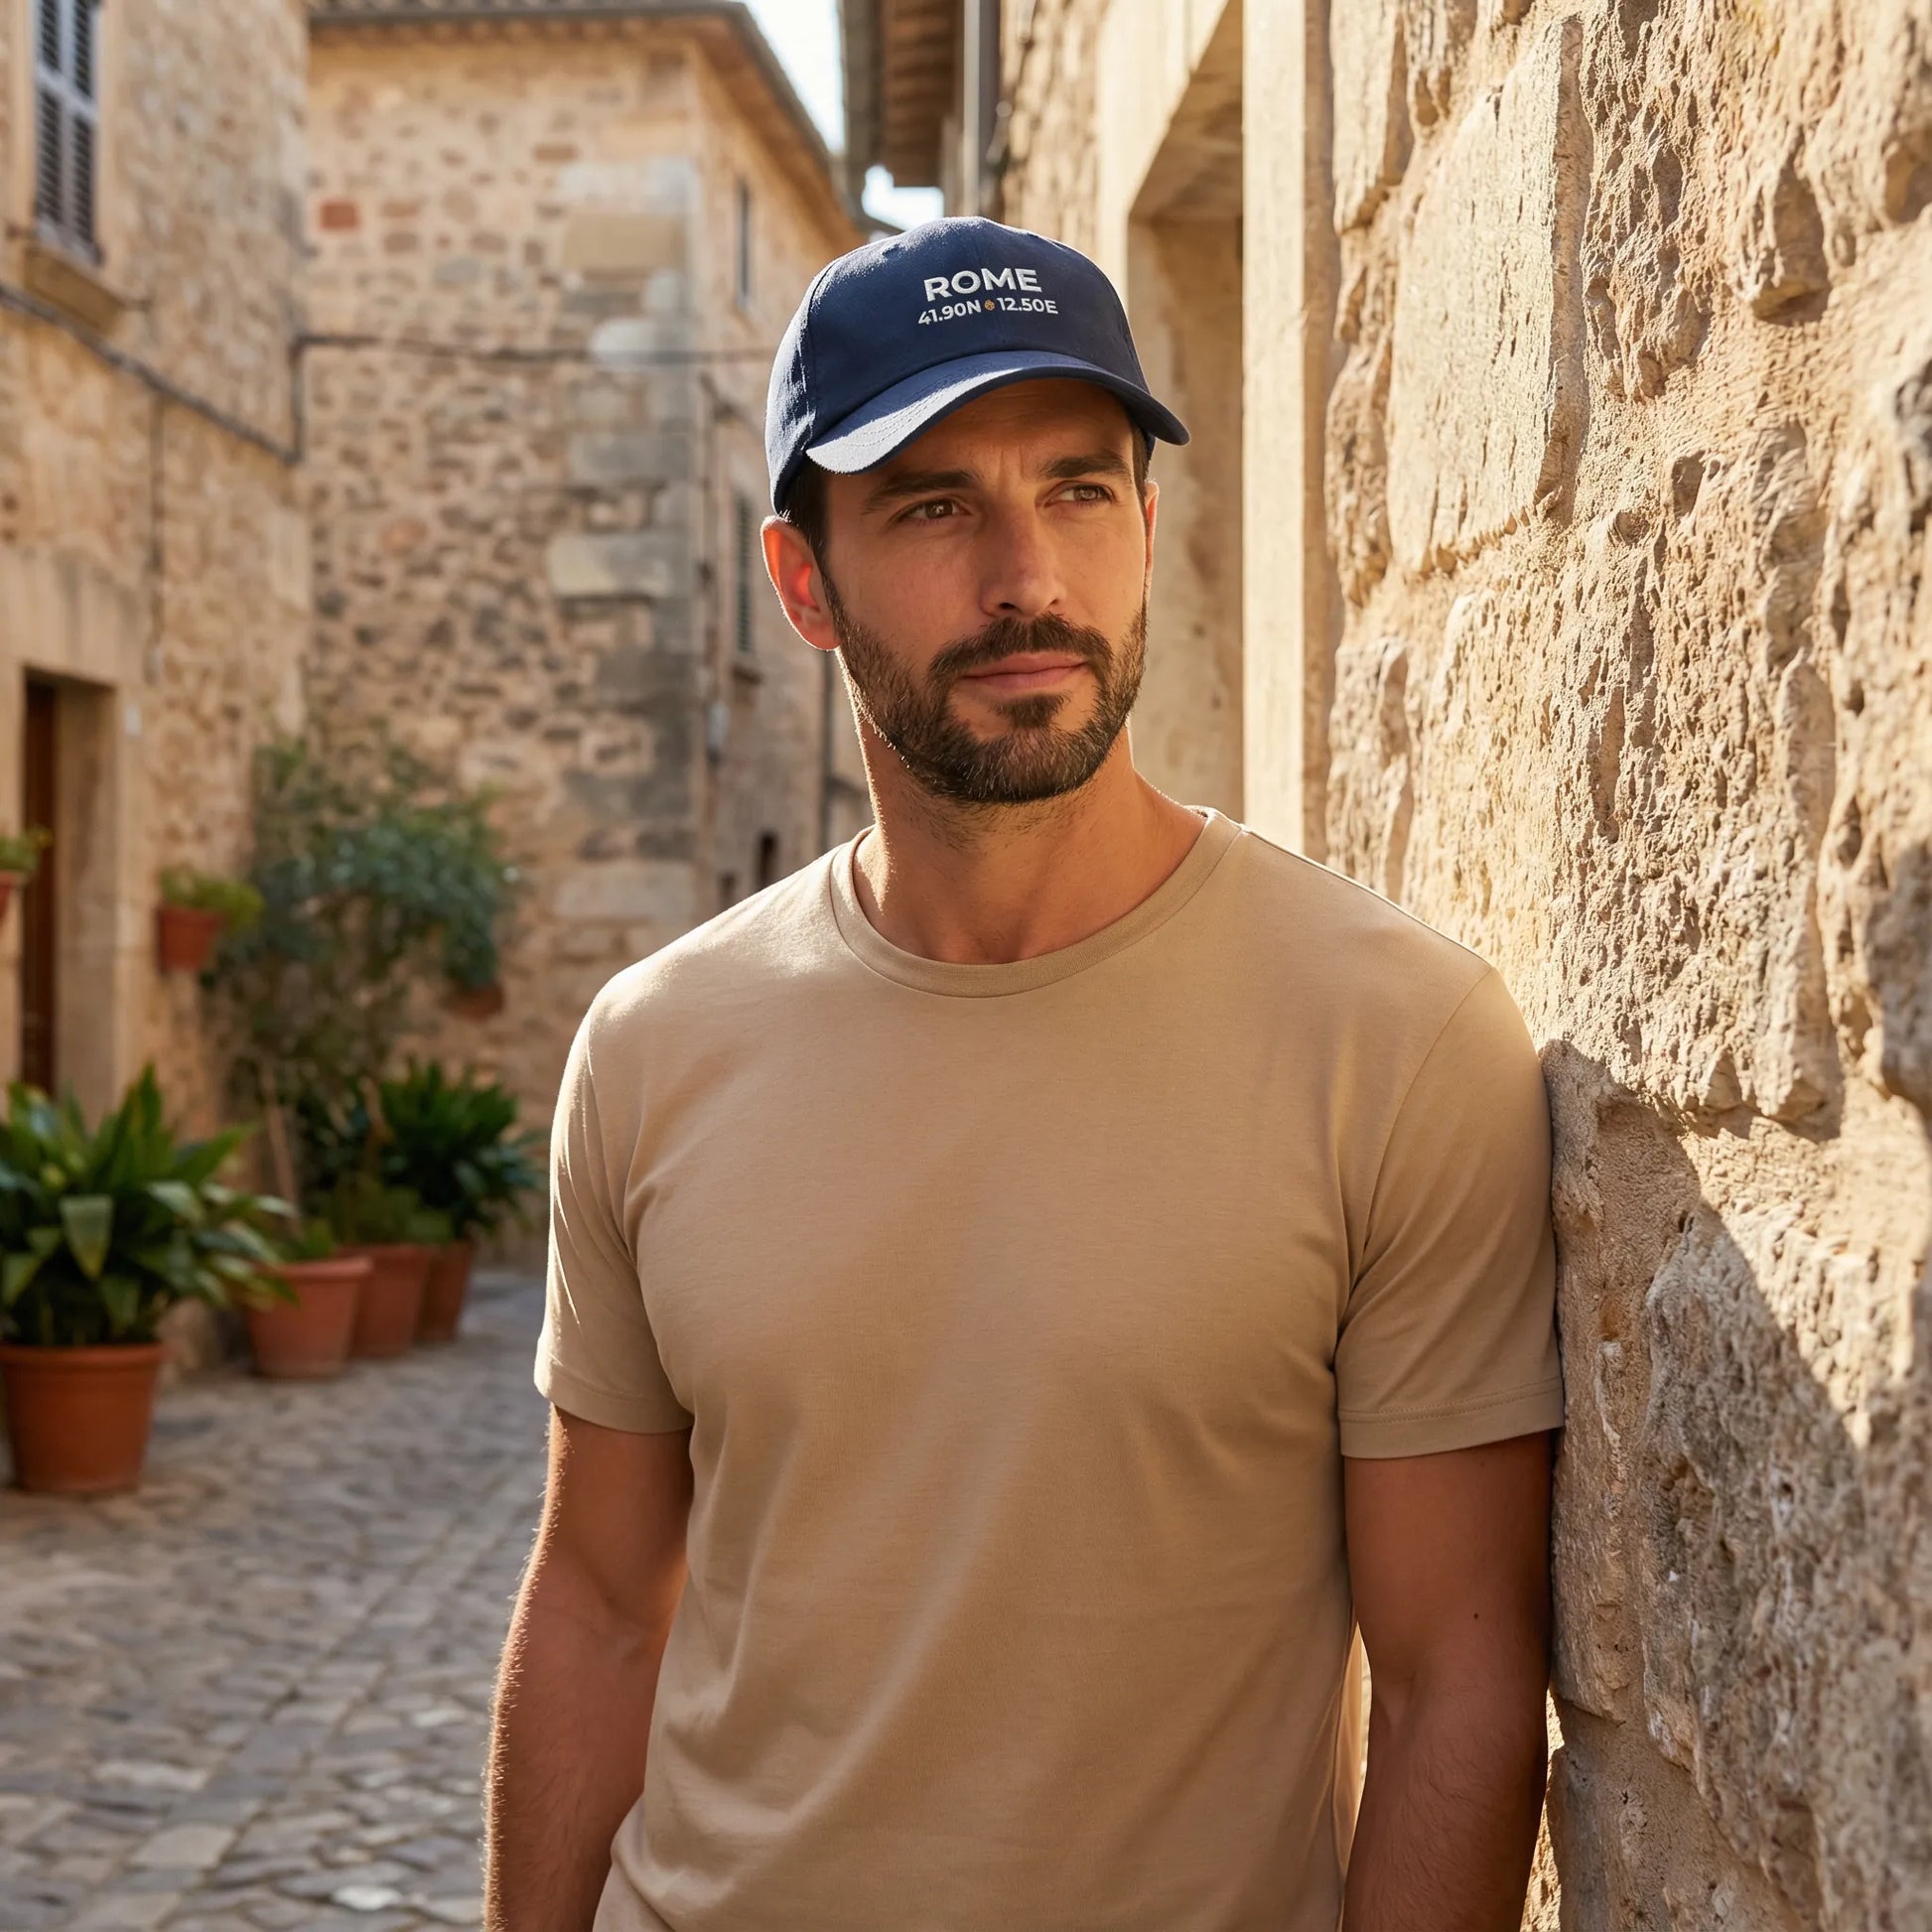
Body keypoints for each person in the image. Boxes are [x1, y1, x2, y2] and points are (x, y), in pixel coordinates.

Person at [484, 216, 1563, 1932]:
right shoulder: (653, 1046)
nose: (1026, 579)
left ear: (1146, 522)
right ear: (801, 582)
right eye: (933, 507)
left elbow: (1458, 1679)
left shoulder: (1393, 1038)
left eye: (1077, 489)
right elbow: (601, 1606)